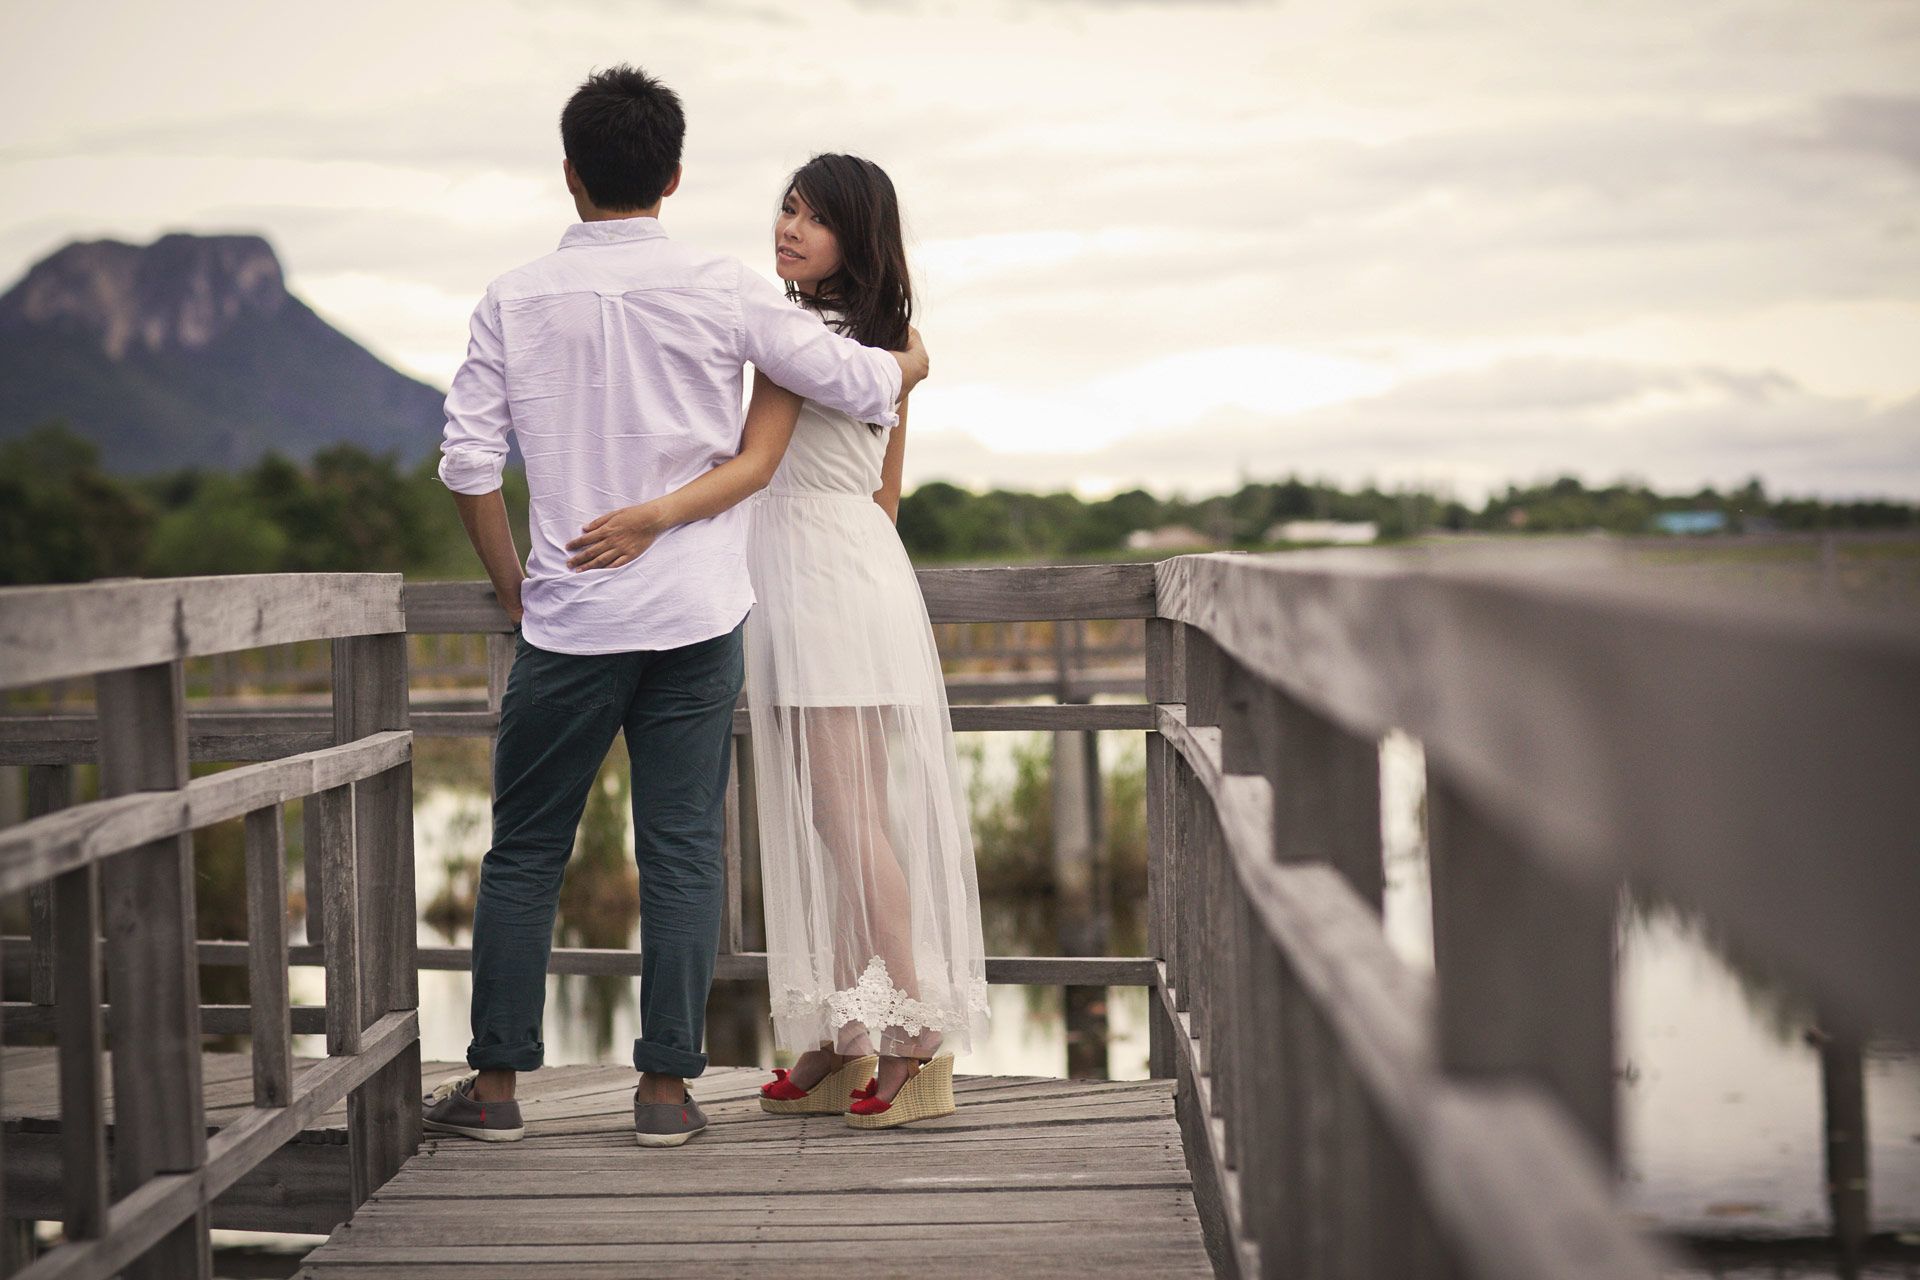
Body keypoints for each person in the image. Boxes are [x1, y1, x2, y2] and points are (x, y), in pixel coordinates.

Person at [423, 68, 930, 1150]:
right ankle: (664, 1095)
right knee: (685, 851)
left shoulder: (512, 296)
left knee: (523, 851)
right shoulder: (722, 286)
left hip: (567, 621)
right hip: (698, 619)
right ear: (674, 175)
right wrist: (910, 361)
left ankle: (499, 1088)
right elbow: (866, 386)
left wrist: (516, 584)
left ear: (571, 174)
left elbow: (467, 464)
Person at [567, 154, 987, 1129]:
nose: (789, 228)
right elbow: (887, 490)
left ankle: (915, 1029)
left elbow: (758, 468)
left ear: (859, 234)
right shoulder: (893, 342)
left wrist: (654, 518)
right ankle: (847, 1030)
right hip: (857, 565)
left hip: (822, 579)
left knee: (845, 820)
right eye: (785, 210)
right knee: (841, 820)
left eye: (814, 217)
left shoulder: (801, 338)